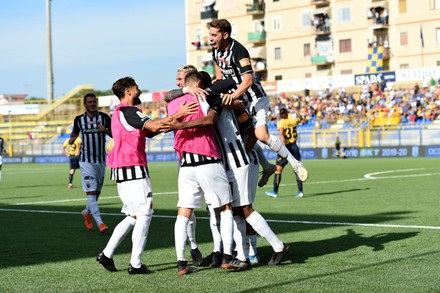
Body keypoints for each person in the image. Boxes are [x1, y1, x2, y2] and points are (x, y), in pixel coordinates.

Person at [163, 72, 291, 270]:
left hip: (237, 159)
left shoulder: (215, 97)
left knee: (243, 210)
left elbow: (230, 85)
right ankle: (246, 254)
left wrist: (181, 122)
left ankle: (270, 248)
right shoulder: (209, 99)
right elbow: (168, 95)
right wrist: (187, 90)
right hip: (227, 161)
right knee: (238, 212)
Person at [96, 76, 196, 275]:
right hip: (133, 168)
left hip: (122, 169)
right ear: (128, 91)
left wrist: (172, 121)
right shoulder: (129, 110)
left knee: (133, 216)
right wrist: (179, 114)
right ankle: (136, 263)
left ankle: (106, 254)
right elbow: (153, 127)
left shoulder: (119, 113)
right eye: (137, 87)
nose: (140, 90)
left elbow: (149, 132)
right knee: (144, 214)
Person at [209, 19, 308, 185]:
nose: (210, 38)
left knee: (261, 135)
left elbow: (247, 80)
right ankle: (266, 166)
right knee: (241, 138)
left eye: (214, 35)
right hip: (237, 101)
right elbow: (220, 77)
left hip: (254, 98)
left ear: (225, 35)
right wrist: (222, 94)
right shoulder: (215, 51)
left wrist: (232, 97)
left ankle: (295, 163)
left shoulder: (239, 51)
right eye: (210, 34)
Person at [165, 71, 235, 275]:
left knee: (183, 212)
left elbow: (167, 96)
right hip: (207, 159)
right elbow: (209, 120)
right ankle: (227, 256)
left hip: (185, 164)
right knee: (226, 207)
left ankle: (181, 262)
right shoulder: (207, 96)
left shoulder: (173, 102)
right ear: (197, 83)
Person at [164, 64, 208, 267]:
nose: (177, 83)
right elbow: (166, 96)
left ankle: (222, 249)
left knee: (213, 208)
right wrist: (185, 90)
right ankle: (193, 247)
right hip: (185, 159)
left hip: (209, 155)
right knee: (188, 208)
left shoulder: (204, 96)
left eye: (181, 79)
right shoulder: (177, 100)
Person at [69, 93, 112, 234]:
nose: (92, 104)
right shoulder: (79, 119)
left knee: (96, 194)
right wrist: (71, 140)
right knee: (91, 193)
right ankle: (100, 223)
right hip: (85, 161)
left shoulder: (104, 118)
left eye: (94, 101)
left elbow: (114, 133)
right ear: (85, 104)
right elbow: (74, 133)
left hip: (100, 161)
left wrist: (104, 130)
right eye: (89, 102)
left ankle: (86, 212)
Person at [266, 108, 304, 199]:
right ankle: (300, 191)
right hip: (294, 147)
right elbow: (300, 117)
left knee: (278, 170)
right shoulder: (293, 121)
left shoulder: (281, 122)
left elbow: (282, 134)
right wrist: (295, 109)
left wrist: (282, 145)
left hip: (286, 147)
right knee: (297, 169)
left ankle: (275, 192)